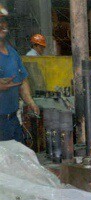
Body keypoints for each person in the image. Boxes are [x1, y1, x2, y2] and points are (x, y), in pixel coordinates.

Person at [0, 6, 40, 143]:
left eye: (3, 21)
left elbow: (22, 79)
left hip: (12, 121)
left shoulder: (12, 53)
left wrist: (30, 101)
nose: (1, 25)